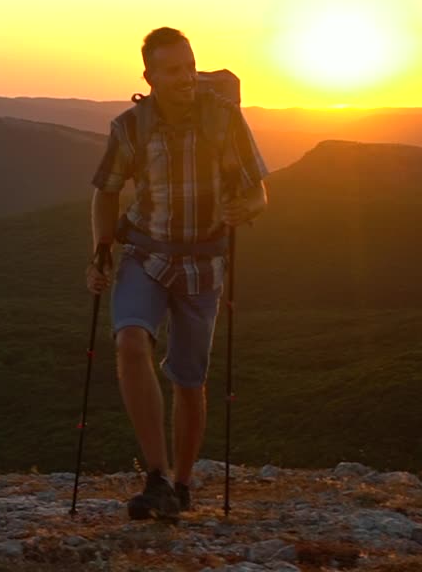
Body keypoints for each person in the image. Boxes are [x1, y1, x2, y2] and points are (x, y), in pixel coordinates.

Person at [86, 27, 269, 520]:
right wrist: (101, 250)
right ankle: (157, 474)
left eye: (189, 66)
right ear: (150, 76)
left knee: (190, 381)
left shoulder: (224, 120)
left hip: (203, 262)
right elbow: (106, 191)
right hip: (144, 255)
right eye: (173, 70)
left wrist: (243, 208)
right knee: (130, 343)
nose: (186, 77)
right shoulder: (130, 126)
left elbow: (258, 191)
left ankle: (182, 485)